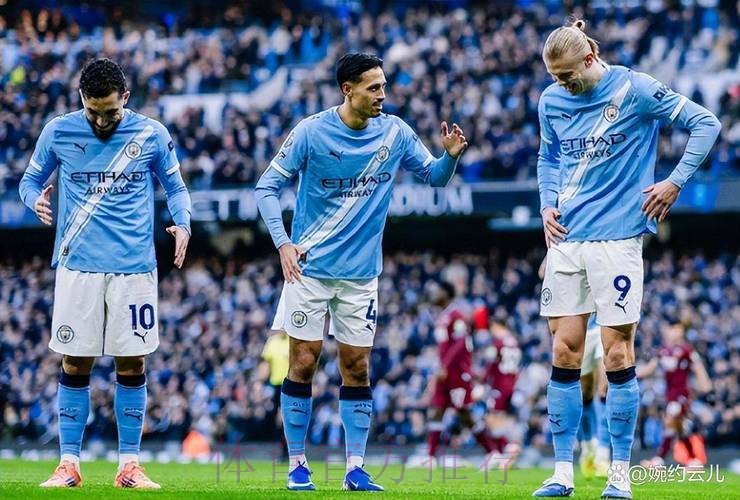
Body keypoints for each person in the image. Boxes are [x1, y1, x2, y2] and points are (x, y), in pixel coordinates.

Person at [255, 52, 467, 491]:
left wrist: (449, 158)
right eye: (374, 87)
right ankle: (297, 464)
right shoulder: (311, 132)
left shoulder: (395, 132)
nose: (382, 95)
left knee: (357, 367)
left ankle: (354, 469)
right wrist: (283, 242)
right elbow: (266, 187)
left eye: (384, 86)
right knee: (303, 362)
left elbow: (435, 177)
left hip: (361, 276)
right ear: (347, 89)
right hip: (308, 271)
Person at [534, 19, 721, 499]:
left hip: (617, 240)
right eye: (554, 77)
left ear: (590, 58)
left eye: (567, 75)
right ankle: (562, 472)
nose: (561, 84)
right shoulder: (551, 101)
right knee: (564, 352)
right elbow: (548, 157)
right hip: (566, 239)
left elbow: (706, 123)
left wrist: (674, 181)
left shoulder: (635, 89)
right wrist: (546, 203)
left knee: (617, 353)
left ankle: (619, 475)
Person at [18, 58, 191, 489]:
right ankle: (69, 466)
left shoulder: (151, 134)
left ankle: (129, 466)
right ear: (81, 98)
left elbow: (176, 187)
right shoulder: (58, 131)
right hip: (77, 266)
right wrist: (34, 200)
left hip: (134, 268)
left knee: (132, 363)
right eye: (92, 111)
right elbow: (28, 180)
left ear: (125, 98)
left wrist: (183, 223)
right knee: (74, 361)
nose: (100, 121)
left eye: (110, 112)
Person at [425, 282, 497, 465]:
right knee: (437, 410)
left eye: (437, 291)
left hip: (457, 373)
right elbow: (444, 347)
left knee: (465, 414)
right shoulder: (442, 316)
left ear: (446, 294)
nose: (434, 294)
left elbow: (460, 343)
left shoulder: (456, 315)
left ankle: (492, 453)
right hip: (444, 374)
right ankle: (430, 457)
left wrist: (444, 366)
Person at [638, 323, 712, 468]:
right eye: (671, 329)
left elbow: (698, 368)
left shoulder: (686, 350)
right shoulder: (663, 351)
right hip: (670, 395)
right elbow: (650, 368)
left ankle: (659, 459)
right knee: (679, 428)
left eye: (676, 329)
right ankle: (694, 460)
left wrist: (707, 388)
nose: (673, 333)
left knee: (670, 420)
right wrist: (630, 374)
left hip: (681, 394)